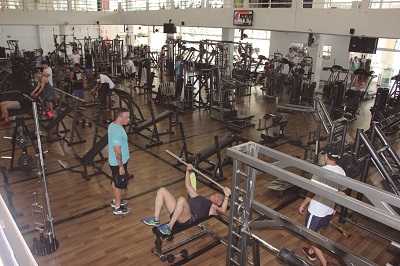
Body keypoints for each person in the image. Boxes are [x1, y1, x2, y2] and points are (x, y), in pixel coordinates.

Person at [142, 163, 231, 235]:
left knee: (181, 200)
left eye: (219, 196)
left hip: (187, 218)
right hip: (178, 212)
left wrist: (226, 196)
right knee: (162, 190)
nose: (216, 194)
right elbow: (188, 185)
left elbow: (223, 211)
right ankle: (156, 219)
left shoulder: (212, 208)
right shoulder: (200, 197)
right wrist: (188, 171)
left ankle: (169, 227)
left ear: (218, 202)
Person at [298, 143, 347, 266]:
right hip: (329, 210)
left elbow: (312, 192)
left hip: (316, 210)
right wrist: (335, 207)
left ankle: (325, 263)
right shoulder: (342, 171)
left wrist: (303, 204)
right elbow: (342, 192)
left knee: (310, 235)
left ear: (326, 156)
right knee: (317, 232)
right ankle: (311, 252)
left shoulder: (321, 172)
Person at [108, 107, 131, 215]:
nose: (128, 120)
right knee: (119, 185)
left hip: (115, 162)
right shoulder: (117, 132)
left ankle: (115, 201)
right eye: (126, 118)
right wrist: (121, 166)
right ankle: (117, 208)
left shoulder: (113, 125)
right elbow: (117, 151)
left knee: (115, 180)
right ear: (119, 117)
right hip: (118, 163)